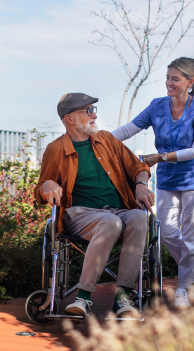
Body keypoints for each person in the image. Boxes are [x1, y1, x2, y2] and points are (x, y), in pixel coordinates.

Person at [35, 92, 155, 319]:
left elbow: (137, 167)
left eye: (93, 110)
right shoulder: (55, 149)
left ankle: (123, 297)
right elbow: (41, 187)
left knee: (139, 218)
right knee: (111, 222)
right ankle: (83, 297)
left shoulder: (107, 140)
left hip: (117, 212)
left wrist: (141, 184)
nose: (94, 115)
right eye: (88, 111)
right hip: (80, 215)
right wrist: (48, 185)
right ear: (70, 119)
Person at [112, 57, 194, 308]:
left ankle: (184, 289)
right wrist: (99, 141)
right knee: (167, 232)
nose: (169, 83)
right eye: (168, 77)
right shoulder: (157, 106)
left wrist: (159, 157)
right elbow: (128, 129)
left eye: (175, 79)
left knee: (191, 238)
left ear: (190, 82)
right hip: (169, 179)